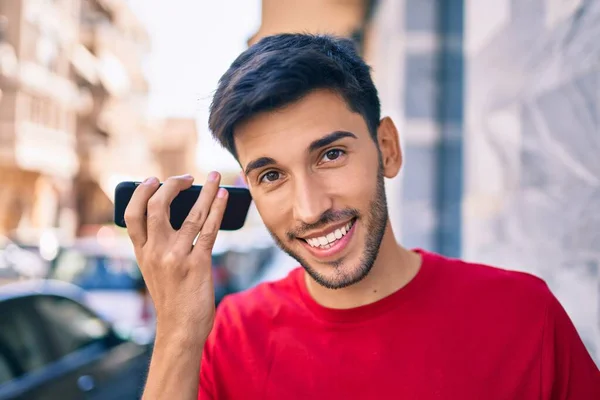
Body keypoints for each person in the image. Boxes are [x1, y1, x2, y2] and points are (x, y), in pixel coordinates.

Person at [124, 34, 599, 400]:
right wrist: (178, 333)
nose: (310, 209)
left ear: (386, 149)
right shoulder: (230, 335)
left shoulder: (522, 316)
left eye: (330, 154)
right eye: (271, 175)